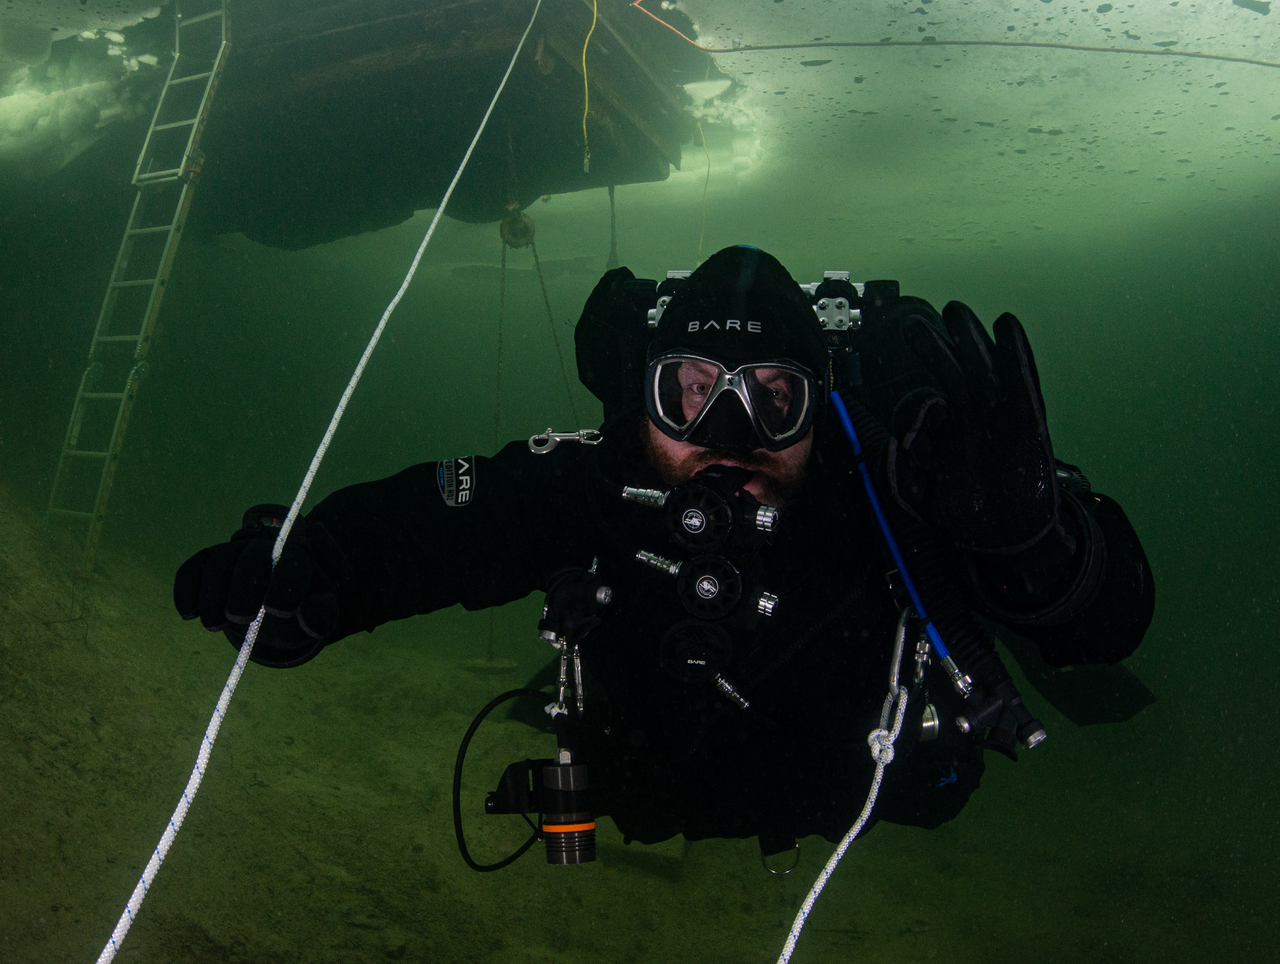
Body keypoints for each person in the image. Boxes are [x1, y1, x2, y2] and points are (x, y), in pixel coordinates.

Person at [173, 246, 1153, 852]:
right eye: (690, 392)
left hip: (869, 797)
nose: (727, 433)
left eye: (772, 398)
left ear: (823, 409)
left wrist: (1040, 554)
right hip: (640, 790)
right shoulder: (605, 486)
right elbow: (449, 524)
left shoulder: (888, 499)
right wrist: (316, 573)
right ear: (642, 402)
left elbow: (1103, 635)